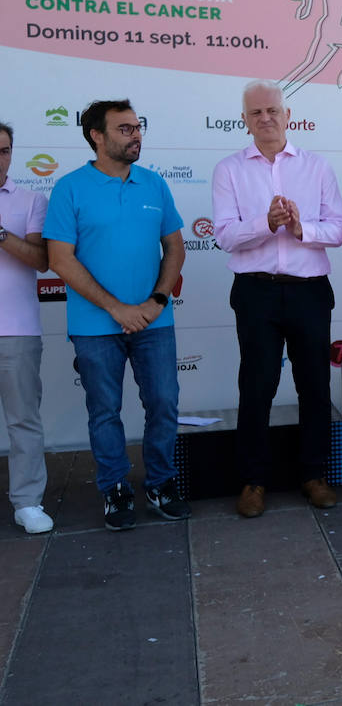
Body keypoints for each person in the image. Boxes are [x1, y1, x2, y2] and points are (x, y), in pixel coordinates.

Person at [44, 101, 190, 530]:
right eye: (125, 128)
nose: (136, 135)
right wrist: (117, 309)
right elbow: (60, 259)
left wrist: (156, 302)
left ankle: (161, 482)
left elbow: (176, 248)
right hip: (94, 326)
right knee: (105, 411)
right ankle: (115, 488)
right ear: (96, 135)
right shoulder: (69, 188)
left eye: (137, 127)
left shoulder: (154, 184)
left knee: (164, 404)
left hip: (154, 322)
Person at [211, 80, 342, 518]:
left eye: (272, 110)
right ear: (245, 121)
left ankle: (314, 475)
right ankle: (253, 482)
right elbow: (224, 235)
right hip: (256, 292)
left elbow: (339, 228)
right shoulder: (229, 169)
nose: (265, 119)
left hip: (309, 292)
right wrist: (265, 223)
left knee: (314, 385)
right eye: (256, 113)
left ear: (288, 115)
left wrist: (301, 228)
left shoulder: (318, 167)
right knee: (256, 386)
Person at [0, 122, 54, 534]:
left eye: (4, 150)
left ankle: (27, 502)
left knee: (23, 419)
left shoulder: (31, 199)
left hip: (16, 329)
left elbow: (39, 259)